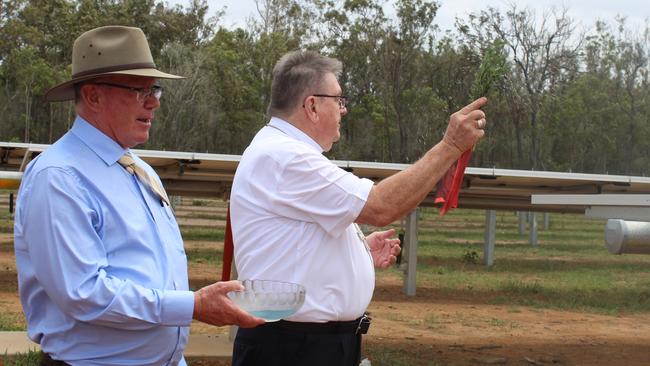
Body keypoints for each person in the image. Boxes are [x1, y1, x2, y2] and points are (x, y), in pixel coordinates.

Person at [13, 25, 263, 366]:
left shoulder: (137, 168)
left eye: (154, 90)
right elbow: (84, 293)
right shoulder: (59, 177)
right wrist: (192, 306)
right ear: (93, 96)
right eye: (137, 90)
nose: (153, 103)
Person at [229, 50, 488, 366]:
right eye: (337, 100)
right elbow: (381, 206)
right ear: (311, 105)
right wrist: (450, 146)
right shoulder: (287, 158)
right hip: (295, 349)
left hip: (306, 344)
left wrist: (358, 249)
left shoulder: (281, 153)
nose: (344, 109)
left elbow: (293, 245)